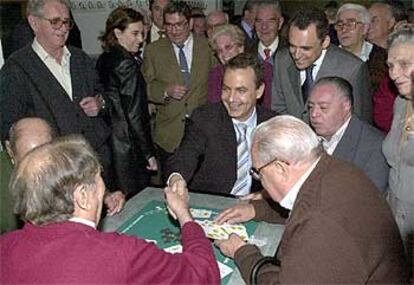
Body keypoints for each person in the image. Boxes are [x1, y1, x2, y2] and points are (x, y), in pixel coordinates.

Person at [0, 135, 220, 284]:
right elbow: (203, 274)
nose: (103, 186)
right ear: (83, 197)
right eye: (98, 178)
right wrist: (185, 216)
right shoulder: (121, 254)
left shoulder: (5, 245)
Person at [214, 115, 407, 283]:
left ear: (281, 168)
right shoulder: (335, 168)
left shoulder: (320, 226)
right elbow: (306, 202)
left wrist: (242, 252)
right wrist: (257, 210)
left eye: (258, 173)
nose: (259, 181)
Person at [0, 0, 111, 186]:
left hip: (95, 165)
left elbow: (103, 95)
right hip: (53, 177)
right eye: (55, 21)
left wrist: (101, 103)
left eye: (67, 22)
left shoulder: (80, 59)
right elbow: (10, 129)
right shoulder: (16, 69)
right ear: (34, 23)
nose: (63, 28)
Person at [166, 53, 275, 196]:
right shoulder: (204, 118)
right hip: (214, 203)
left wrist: (262, 198)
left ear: (259, 91)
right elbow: (185, 156)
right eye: (226, 89)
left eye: (240, 90)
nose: (231, 98)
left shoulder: (274, 125)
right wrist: (176, 178)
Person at [142, 1, 216, 181]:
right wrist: (165, 90)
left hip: (202, 131)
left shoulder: (207, 47)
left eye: (179, 24)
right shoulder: (153, 50)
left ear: (190, 23)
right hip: (169, 136)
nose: (174, 30)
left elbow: (217, 82)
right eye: (169, 25)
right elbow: (145, 87)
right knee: (172, 187)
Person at [5, 117, 125, 216]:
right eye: (29, 157)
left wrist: (105, 196)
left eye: (46, 154)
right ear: (10, 149)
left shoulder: (59, 165)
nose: (38, 163)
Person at [96, 7, 157, 198]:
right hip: (127, 150)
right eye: (135, 33)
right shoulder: (126, 63)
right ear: (117, 32)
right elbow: (135, 114)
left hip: (108, 143)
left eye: (142, 34)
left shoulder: (104, 58)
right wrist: (148, 153)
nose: (140, 39)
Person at [271, 8, 371, 123]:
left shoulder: (352, 69)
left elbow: (360, 122)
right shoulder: (282, 59)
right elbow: (278, 108)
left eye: (306, 48)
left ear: (325, 42)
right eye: (292, 46)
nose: (297, 55)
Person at [308, 77, 389, 193]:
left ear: (346, 106)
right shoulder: (307, 137)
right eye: (310, 107)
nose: (314, 114)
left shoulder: (374, 146)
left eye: (323, 107)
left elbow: (370, 201)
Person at [383, 23, 414, 277]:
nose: (394, 73)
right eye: (391, 65)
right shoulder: (400, 104)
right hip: (394, 223)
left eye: (404, 64)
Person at [208, 24, 272, 108]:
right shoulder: (216, 74)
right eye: (219, 50)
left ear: (241, 47)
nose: (224, 54)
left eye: (228, 47)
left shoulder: (264, 69)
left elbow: (268, 105)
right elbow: (214, 107)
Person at [335, 3, 388, 92]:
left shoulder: (383, 58)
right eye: (340, 25)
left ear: (365, 28)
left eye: (350, 24)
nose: (343, 30)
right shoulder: (329, 57)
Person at [251, 0, 285, 66]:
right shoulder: (246, 53)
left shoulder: (292, 54)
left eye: (270, 21)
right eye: (259, 21)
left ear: (280, 23)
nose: (264, 27)